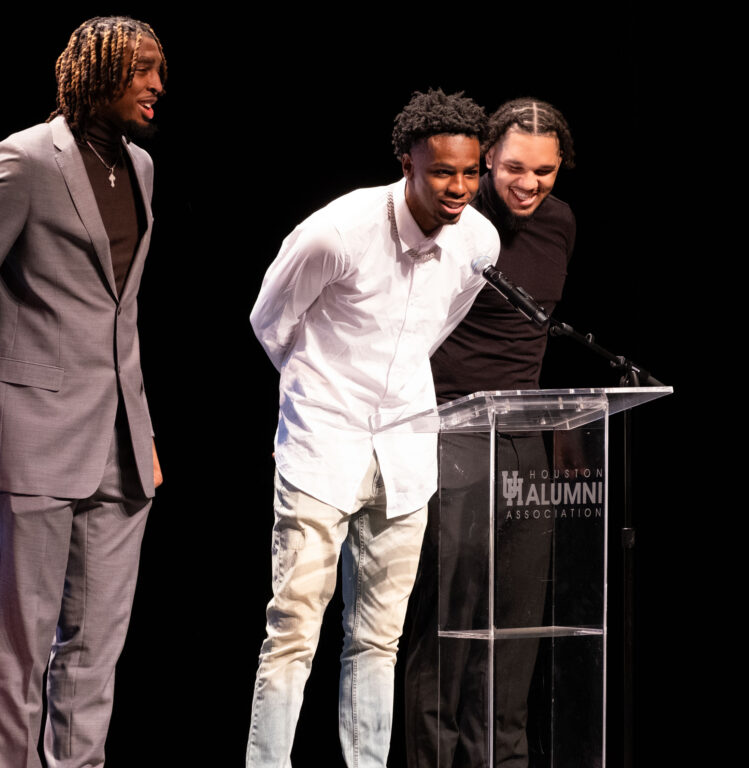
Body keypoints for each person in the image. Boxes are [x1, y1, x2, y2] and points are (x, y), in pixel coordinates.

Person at [0, 16, 167, 768]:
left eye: (160, 70)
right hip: (34, 433)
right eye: (143, 69)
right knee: (22, 646)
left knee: (96, 651)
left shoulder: (141, 169)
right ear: (97, 72)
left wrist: (142, 430)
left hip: (120, 445)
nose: (157, 86)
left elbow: (122, 315)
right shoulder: (23, 161)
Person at [246, 89, 500, 768]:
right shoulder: (339, 230)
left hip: (407, 451)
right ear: (406, 162)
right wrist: (322, 388)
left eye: (471, 172)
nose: (459, 188)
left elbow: (435, 329)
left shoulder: (479, 241)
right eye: (442, 171)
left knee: (377, 640)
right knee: (294, 631)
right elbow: (271, 322)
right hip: (322, 445)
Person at [404, 97, 576, 768]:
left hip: (522, 437)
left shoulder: (561, 224)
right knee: (450, 623)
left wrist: (558, 427)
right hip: (451, 432)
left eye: (545, 170)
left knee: (518, 624)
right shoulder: (454, 224)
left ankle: (503, 760)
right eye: (512, 168)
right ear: (484, 162)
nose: (529, 184)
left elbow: (536, 331)